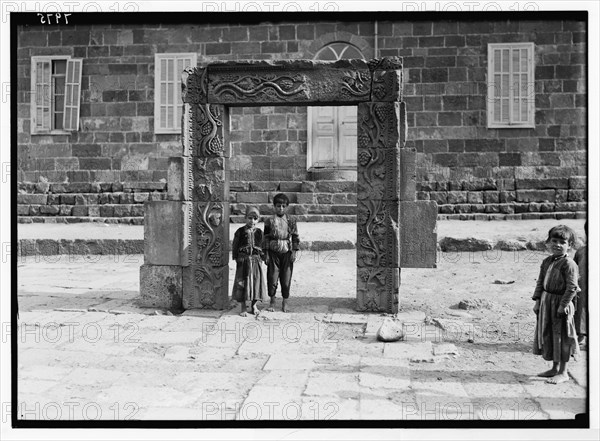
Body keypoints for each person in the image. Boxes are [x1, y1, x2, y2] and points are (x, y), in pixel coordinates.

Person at [532, 225, 580, 384]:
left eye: (562, 242)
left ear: (570, 245)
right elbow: (540, 282)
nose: (557, 245)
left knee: (562, 337)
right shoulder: (547, 261)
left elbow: (572, 287)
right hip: (547, 303)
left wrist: (563, 306)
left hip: (561, 304)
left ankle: (563, 372)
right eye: (554, 240)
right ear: (548, 242)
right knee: (550, 335)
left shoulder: (569, 264)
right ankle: (554, 368)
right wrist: (538, 301)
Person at [263, 193, 300, 313]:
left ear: (287, 207)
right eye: (278, 206)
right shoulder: (269, 221)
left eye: (283, 206)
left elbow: (295, 237)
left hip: (286, 252)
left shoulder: (291, 220)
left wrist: (294, 252)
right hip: (273, 253)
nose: (281, 208)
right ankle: (272, 300)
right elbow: (266, 238)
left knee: (286, 279)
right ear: (274, 206)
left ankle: (285, 301)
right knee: (272, 278)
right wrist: (266, 254)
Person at [231, 205, 267, 317]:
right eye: (250, 218)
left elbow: (263, 246)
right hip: (243, 261)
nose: (252, 221)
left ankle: (254, 305)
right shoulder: (240, 231)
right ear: (245, 218)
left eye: (255, 218)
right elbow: (235, 246)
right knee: (242, 283)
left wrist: (263, 257)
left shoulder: (260, 232)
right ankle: (242, 306)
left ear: (259, 219)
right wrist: (237, 258)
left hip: (256, 261)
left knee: (255, 283)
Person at [573, 221, 587, 349]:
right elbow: (574, 268)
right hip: (583, 286)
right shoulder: (581, 251)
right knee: (581, 308)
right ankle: (581, 336)